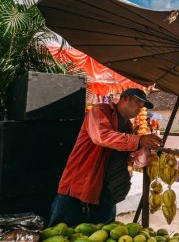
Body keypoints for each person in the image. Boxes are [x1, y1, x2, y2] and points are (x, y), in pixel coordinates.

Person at [47, 88, 162, 226]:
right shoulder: (100, 110)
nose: (140, 108)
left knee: (103, 234)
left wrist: (136, 156)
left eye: (142, 105)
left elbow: (116, 154)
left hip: (107, 192)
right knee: (63, 232)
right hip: (81, 185)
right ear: (125, 98)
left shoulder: (128, 126)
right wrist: (138, 140)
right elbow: (102, 136)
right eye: (138, 102)